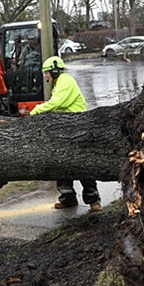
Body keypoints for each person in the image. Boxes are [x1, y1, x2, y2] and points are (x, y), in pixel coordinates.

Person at [30, 56, 101, 212]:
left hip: (78, 127)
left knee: (81, 164)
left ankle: (93, 200)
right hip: (66, 128)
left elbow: (58, 102)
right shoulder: (59, 82)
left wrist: (36, 110)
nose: (46, 76)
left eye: (47, 73)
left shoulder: (65, 80)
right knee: (61, 162)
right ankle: (67, 198)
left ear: (54, 71)